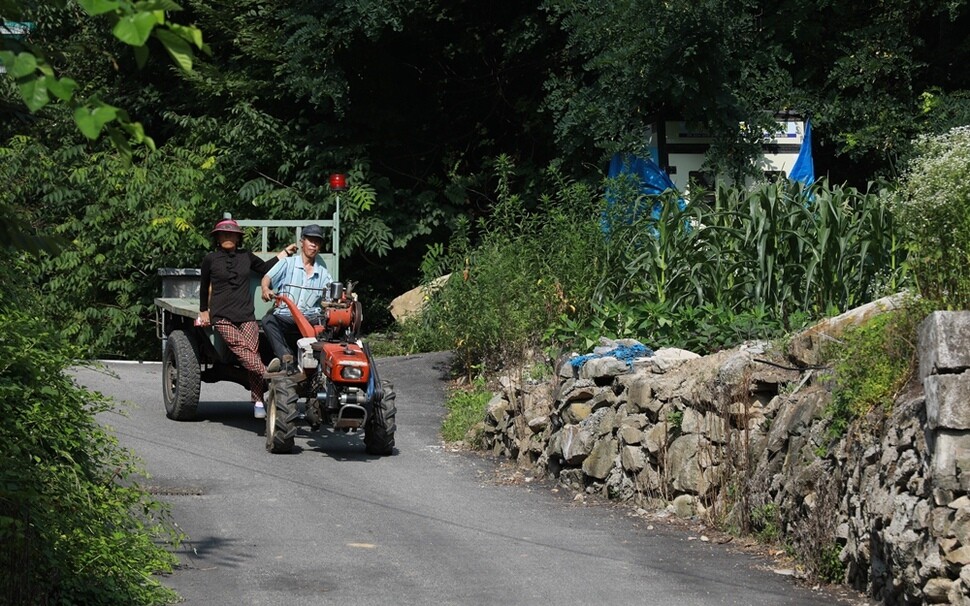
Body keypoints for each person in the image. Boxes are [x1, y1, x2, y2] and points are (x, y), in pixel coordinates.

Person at [199, 218, 297, 418]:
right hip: (221, 315)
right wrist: (203, 310)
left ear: (238, 238)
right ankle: (268, 373)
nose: (227, 237)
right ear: (217, 237)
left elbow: (266, 268)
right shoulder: (210, 259)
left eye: (231, 234)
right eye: (223, 234)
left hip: (246, 314)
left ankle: (258, 400)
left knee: (251, 349)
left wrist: (284, 253)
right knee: (240, 348)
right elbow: (203, 285)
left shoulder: (246, 257)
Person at [261, 223, 333, 374]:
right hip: (286, 316)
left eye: (317, 242)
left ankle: (323, 369)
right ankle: (286, 357)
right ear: (302, 242)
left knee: (330, 327)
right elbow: (267, 277)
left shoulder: (324, 274)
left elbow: (332, 297)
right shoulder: (288, 263)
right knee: (268, 321)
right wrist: (266, 289)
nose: (314, 245)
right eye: (310, 241)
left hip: (310, 318)